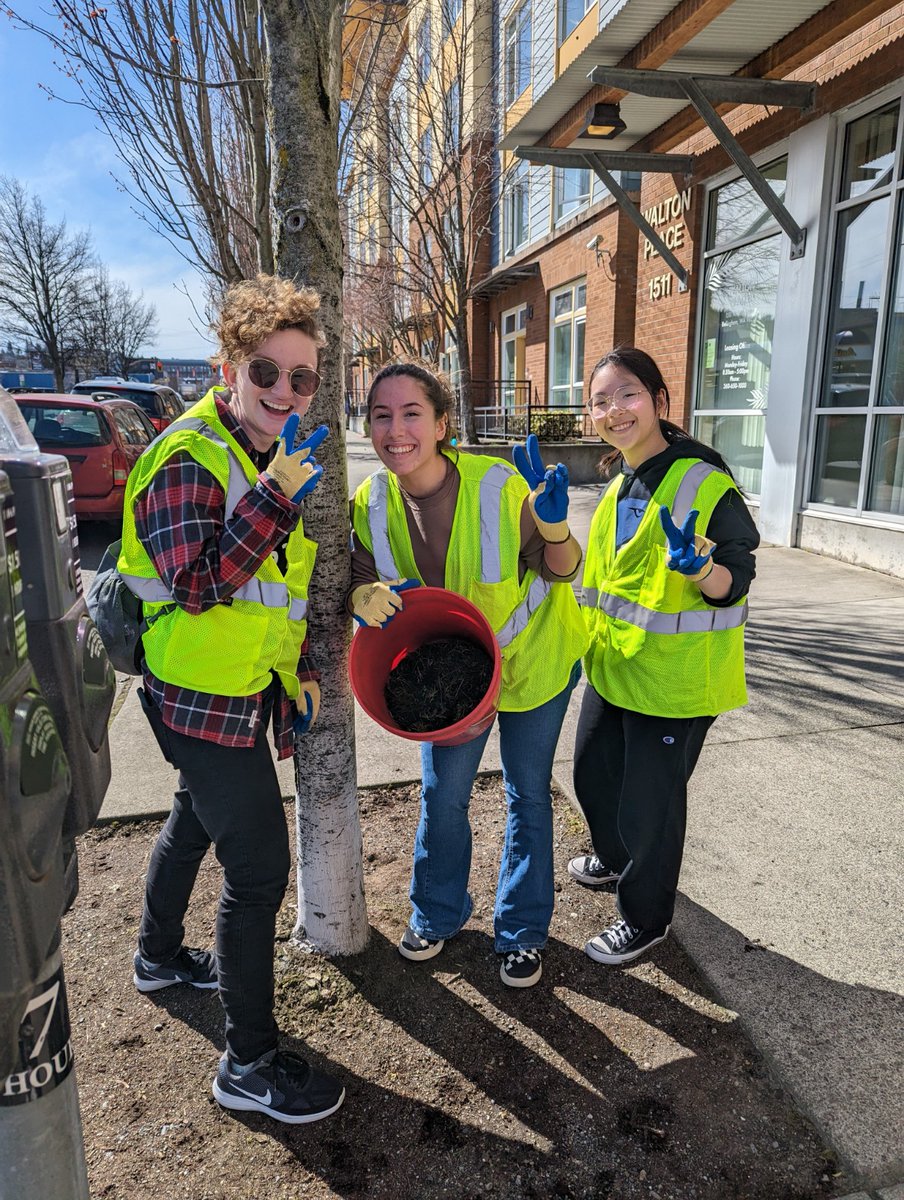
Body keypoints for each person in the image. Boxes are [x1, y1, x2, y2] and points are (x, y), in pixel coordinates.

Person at [117, 274, 345, 1124]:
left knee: (192, 819)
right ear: (227, 368)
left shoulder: (258, 452)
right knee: (257, 873)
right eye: (266, 372)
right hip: (197, 700)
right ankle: (246, 1065)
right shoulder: (190, 456)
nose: (283, 392)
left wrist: (294, 680)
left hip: (235, 693)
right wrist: (279, 497)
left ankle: (157, 955)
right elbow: (202, 583)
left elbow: (274, 596)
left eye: (302, 378)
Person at [348, 361, 588, 988]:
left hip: (533, 660)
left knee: (527, 794)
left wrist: (556, 525)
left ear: (442, 423)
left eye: (411, 414)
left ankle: (522, 931)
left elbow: (562, 569)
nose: (395, 430)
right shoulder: (370, 502)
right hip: (454, 679)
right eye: (381, 415)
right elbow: (356, 575)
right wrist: (359, 595)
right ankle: (437, 912)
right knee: (443, 794)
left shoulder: (497, 486)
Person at [570, 346, 759, 966]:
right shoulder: (621, 479)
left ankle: (646, 919)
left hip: (676, 682)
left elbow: (737, 574)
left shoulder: (703, 479)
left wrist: (706, 571)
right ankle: (617, 860)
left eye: (626, 394)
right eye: (600, 400)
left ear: (659, 401)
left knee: (649, 806)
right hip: (615, 666)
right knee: (593, 777)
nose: (613, 410)